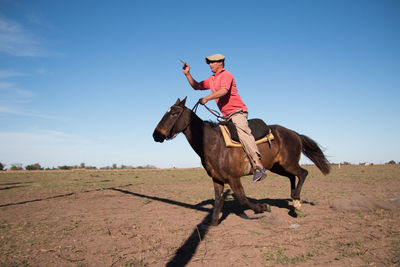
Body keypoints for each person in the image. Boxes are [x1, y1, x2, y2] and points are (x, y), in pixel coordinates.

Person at [182, 53, 267, 181]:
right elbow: (197, 86)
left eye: (212, 62)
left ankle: (258, 165)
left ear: (220, 62)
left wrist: (207, 98)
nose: (210, 65)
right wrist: (187, 74)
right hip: (225, 116)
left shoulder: (227, 75)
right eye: (209, 62)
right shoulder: (211, 79)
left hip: (237, 112)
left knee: (243, 133)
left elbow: (224, 91)